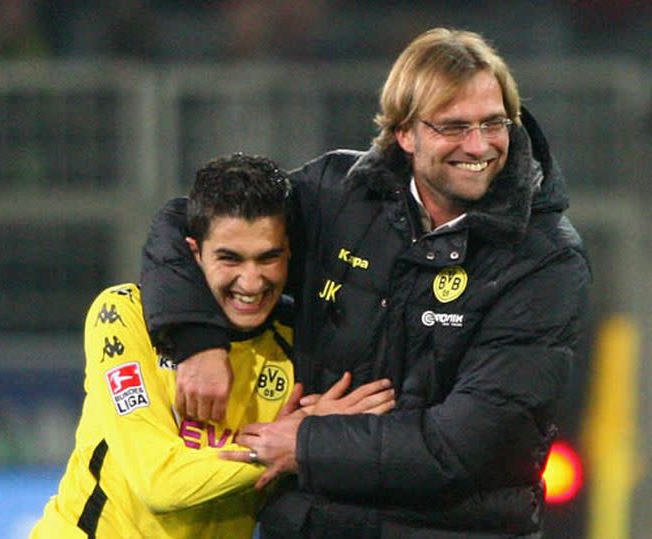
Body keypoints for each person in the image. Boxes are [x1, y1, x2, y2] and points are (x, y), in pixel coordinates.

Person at [139, 28, 591, 537]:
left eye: (494, 123)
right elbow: (188, 223)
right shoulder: (340, 194)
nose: (480, 146)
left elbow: (469, 444)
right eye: (454, 127)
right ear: (405, 134)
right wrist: (197, 338)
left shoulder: (544, 258)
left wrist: (307, 443)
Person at [30, 153, 395, 539]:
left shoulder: (298, 347)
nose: (251, 282)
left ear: (289, 253)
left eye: (268, 258)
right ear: (194, 252)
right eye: (229, 259)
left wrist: (309, 443)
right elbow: (159, 482)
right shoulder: (123, 316)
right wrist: (294, 443)